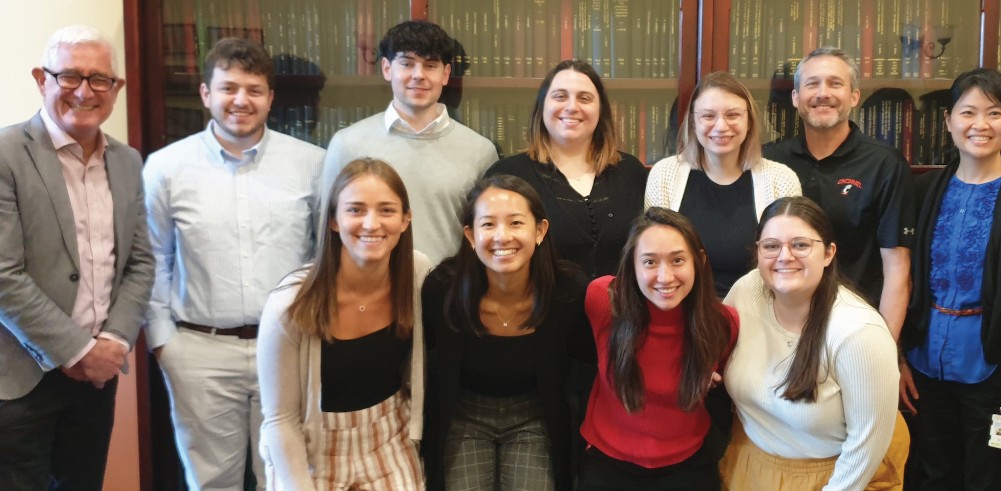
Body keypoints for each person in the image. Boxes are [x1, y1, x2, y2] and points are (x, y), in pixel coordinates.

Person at [0, 25, 153, 490]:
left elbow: (140, 262)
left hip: (94, 376)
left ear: (116, 89)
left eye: (100, 79)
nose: (84, 91)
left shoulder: (127, 162)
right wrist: (80, 351)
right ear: (41, 79)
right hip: (12, 375)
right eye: (69, 76)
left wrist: (116, 342)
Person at [142, 37, 324, 491]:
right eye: (228, 88)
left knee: (286, 479)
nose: (240, 100)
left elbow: (323, 257)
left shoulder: (313, 164)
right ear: (206, 94)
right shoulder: (165, 168)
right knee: (210, 482)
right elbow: (151, 261)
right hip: (200, 351)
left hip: (290, 347)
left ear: (270, 98)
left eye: (254, 89)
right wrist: (165, 344)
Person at [900, 68, 1001, 490]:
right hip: (924, 365)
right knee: (930, 474)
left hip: (997, 369)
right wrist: (899, 357)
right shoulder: (923, 191)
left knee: (993, 479)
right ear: (949, 120)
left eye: (994, 113)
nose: (980, 125)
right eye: (968, 112)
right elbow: (903, 282)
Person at [258, 158, 434, 490]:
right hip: (314, 444)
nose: (371, 224)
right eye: (355, 210)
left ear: (405, 219)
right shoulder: (289, 305)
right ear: (334, 221)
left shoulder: (417, 273)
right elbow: (280, 420)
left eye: (386, 211)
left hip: (389, 435)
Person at [722, 196, 905, 490]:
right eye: (771, 246)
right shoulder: (747, 290)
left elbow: (867, 445)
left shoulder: (859, 332)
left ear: (829, 253)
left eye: (800, 245)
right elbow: (715, 350)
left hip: (835, 476)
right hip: (750, 461)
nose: (784, 256)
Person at [421, 175, 592, 491]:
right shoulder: (442, 290)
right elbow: (419, 359)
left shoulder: (567, 291)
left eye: (516, 223)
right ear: (471, 236)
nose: (502, 236)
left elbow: (595, 359)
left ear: (539, 231)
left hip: (534, 416)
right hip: (465, 415)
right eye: (488, 225)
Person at [580, 207, 739, 490]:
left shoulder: (722, 322)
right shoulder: (603, 300)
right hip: (607, 460)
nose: (665, 277)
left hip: (688, 463)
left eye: (678, 260)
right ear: (632, 265)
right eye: (650, 262)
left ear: (699, 261)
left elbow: (724, 381)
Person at [762, 47, 914, 341]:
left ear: (854, 96)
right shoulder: (770, 160)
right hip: (778, 328)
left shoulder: (884, 164)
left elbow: (897, 270)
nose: (823, 93)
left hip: (855, 329)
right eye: (812, 84)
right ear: (795, 98)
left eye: (835, 83)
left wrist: (883, 348)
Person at [321, 20, 497, 264]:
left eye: (430, 65)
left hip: (447, 293)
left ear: (445, 74)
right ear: (386, 68)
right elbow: (324, 233)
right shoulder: (347, 144)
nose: (418, 75)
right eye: (406, 64)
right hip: (369, 291)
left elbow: (488, 233)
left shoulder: (480, 151)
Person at [486, 60, 648, 279]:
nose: (572, 107)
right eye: (560, 96)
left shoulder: (631, 172)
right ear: (542, 107)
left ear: (601, 110)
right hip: (541, 312)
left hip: (621, 312)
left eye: (584, 98)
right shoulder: (508, 176)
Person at [646, 71, 801, 296]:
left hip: (757, 311)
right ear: (693, 123)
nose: (721, 126)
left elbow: (787, 265)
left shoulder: (781, 180)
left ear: (749, 121)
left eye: (733, 115)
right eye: (708, 116)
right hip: (682, 311)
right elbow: (653, 257)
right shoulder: (664, 175)